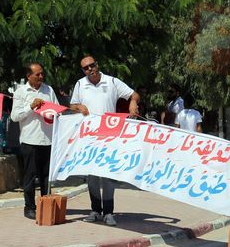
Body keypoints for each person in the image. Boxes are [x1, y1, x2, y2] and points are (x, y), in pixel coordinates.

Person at [69, 55, 141, 226]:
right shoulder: (80, 84)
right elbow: (72, 106)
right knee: (92, 176)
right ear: (83, 71)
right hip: (89, 138)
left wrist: (133, 103)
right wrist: (78, 107)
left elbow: (134, 95)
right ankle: (95, 210)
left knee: (108, 175)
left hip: (110, 137)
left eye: (92, 65)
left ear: (97, 65)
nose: (90, 69)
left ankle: (108, 212)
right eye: (85, 68)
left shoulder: (112, 82)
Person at [11, 62, 60, 220]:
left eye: (42, 73)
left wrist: (54, 113)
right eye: (37, 74)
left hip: (48, 140)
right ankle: (30, 207)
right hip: (30, 140)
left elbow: (57, 110)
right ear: (28, 76)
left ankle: (46, 206)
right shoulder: (20, 92)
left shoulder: (49, 90)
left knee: (46, 177)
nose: (41, 76)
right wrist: (30, 107)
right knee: (30, 177)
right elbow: (14, 116)